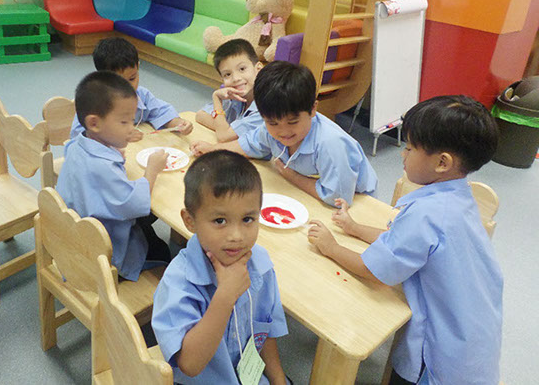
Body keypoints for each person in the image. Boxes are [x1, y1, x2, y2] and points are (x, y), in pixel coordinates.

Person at [307, 95, 503, 385]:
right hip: (474, 342)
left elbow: (375, 270)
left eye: (410, 148)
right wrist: (355, 228)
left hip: (441, 355)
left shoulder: (426, 214)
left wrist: (331, 247)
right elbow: (401, 243)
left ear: (442, 162)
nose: (403, 155)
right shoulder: (458, 198)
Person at [151, 150, 289, 385]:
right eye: (219, 221)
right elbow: (190, 365)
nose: (236, 236)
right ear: (190, 221)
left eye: (247, 219)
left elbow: (265, 332)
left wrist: (279, 381)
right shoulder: (178, 282)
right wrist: (225, 296)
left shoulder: (262, 265)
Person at [191, 61, 377, 206]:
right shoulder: (270, 128)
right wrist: (213, 149)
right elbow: (250, 144)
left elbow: (336, 197)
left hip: (358, 202)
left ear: (313, 109)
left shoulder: (331, 143)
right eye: (272, 123)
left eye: (293, 122)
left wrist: (291, 175)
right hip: (310, 190)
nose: (283, 131)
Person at [57, 71, 171, 281]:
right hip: (102, 256)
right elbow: (134, 204)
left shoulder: (76, 145)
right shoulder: (103, 167)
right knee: (164, 252)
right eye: (124, 122)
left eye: (132, 121)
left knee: (149, 226)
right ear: (94, 123)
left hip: (73, 238)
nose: (131, 129)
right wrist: (152, 170)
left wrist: (112, 151)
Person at [70, 37, 192, 140]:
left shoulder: (142, 96)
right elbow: (78, 137)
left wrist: (178, 124)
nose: (127, 88)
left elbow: (162, 112)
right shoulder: (92, 104)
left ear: (138, 66)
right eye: (119, 82)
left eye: (132, 78)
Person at [196, 39, 264, 141]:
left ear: (258, 69)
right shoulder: (234, 97)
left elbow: (223, 136)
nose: (236, 78)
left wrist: (216, 98)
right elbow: (200, 115)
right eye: (227, 74)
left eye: (242, 69)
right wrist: (225, 128)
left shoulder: (265, 106)